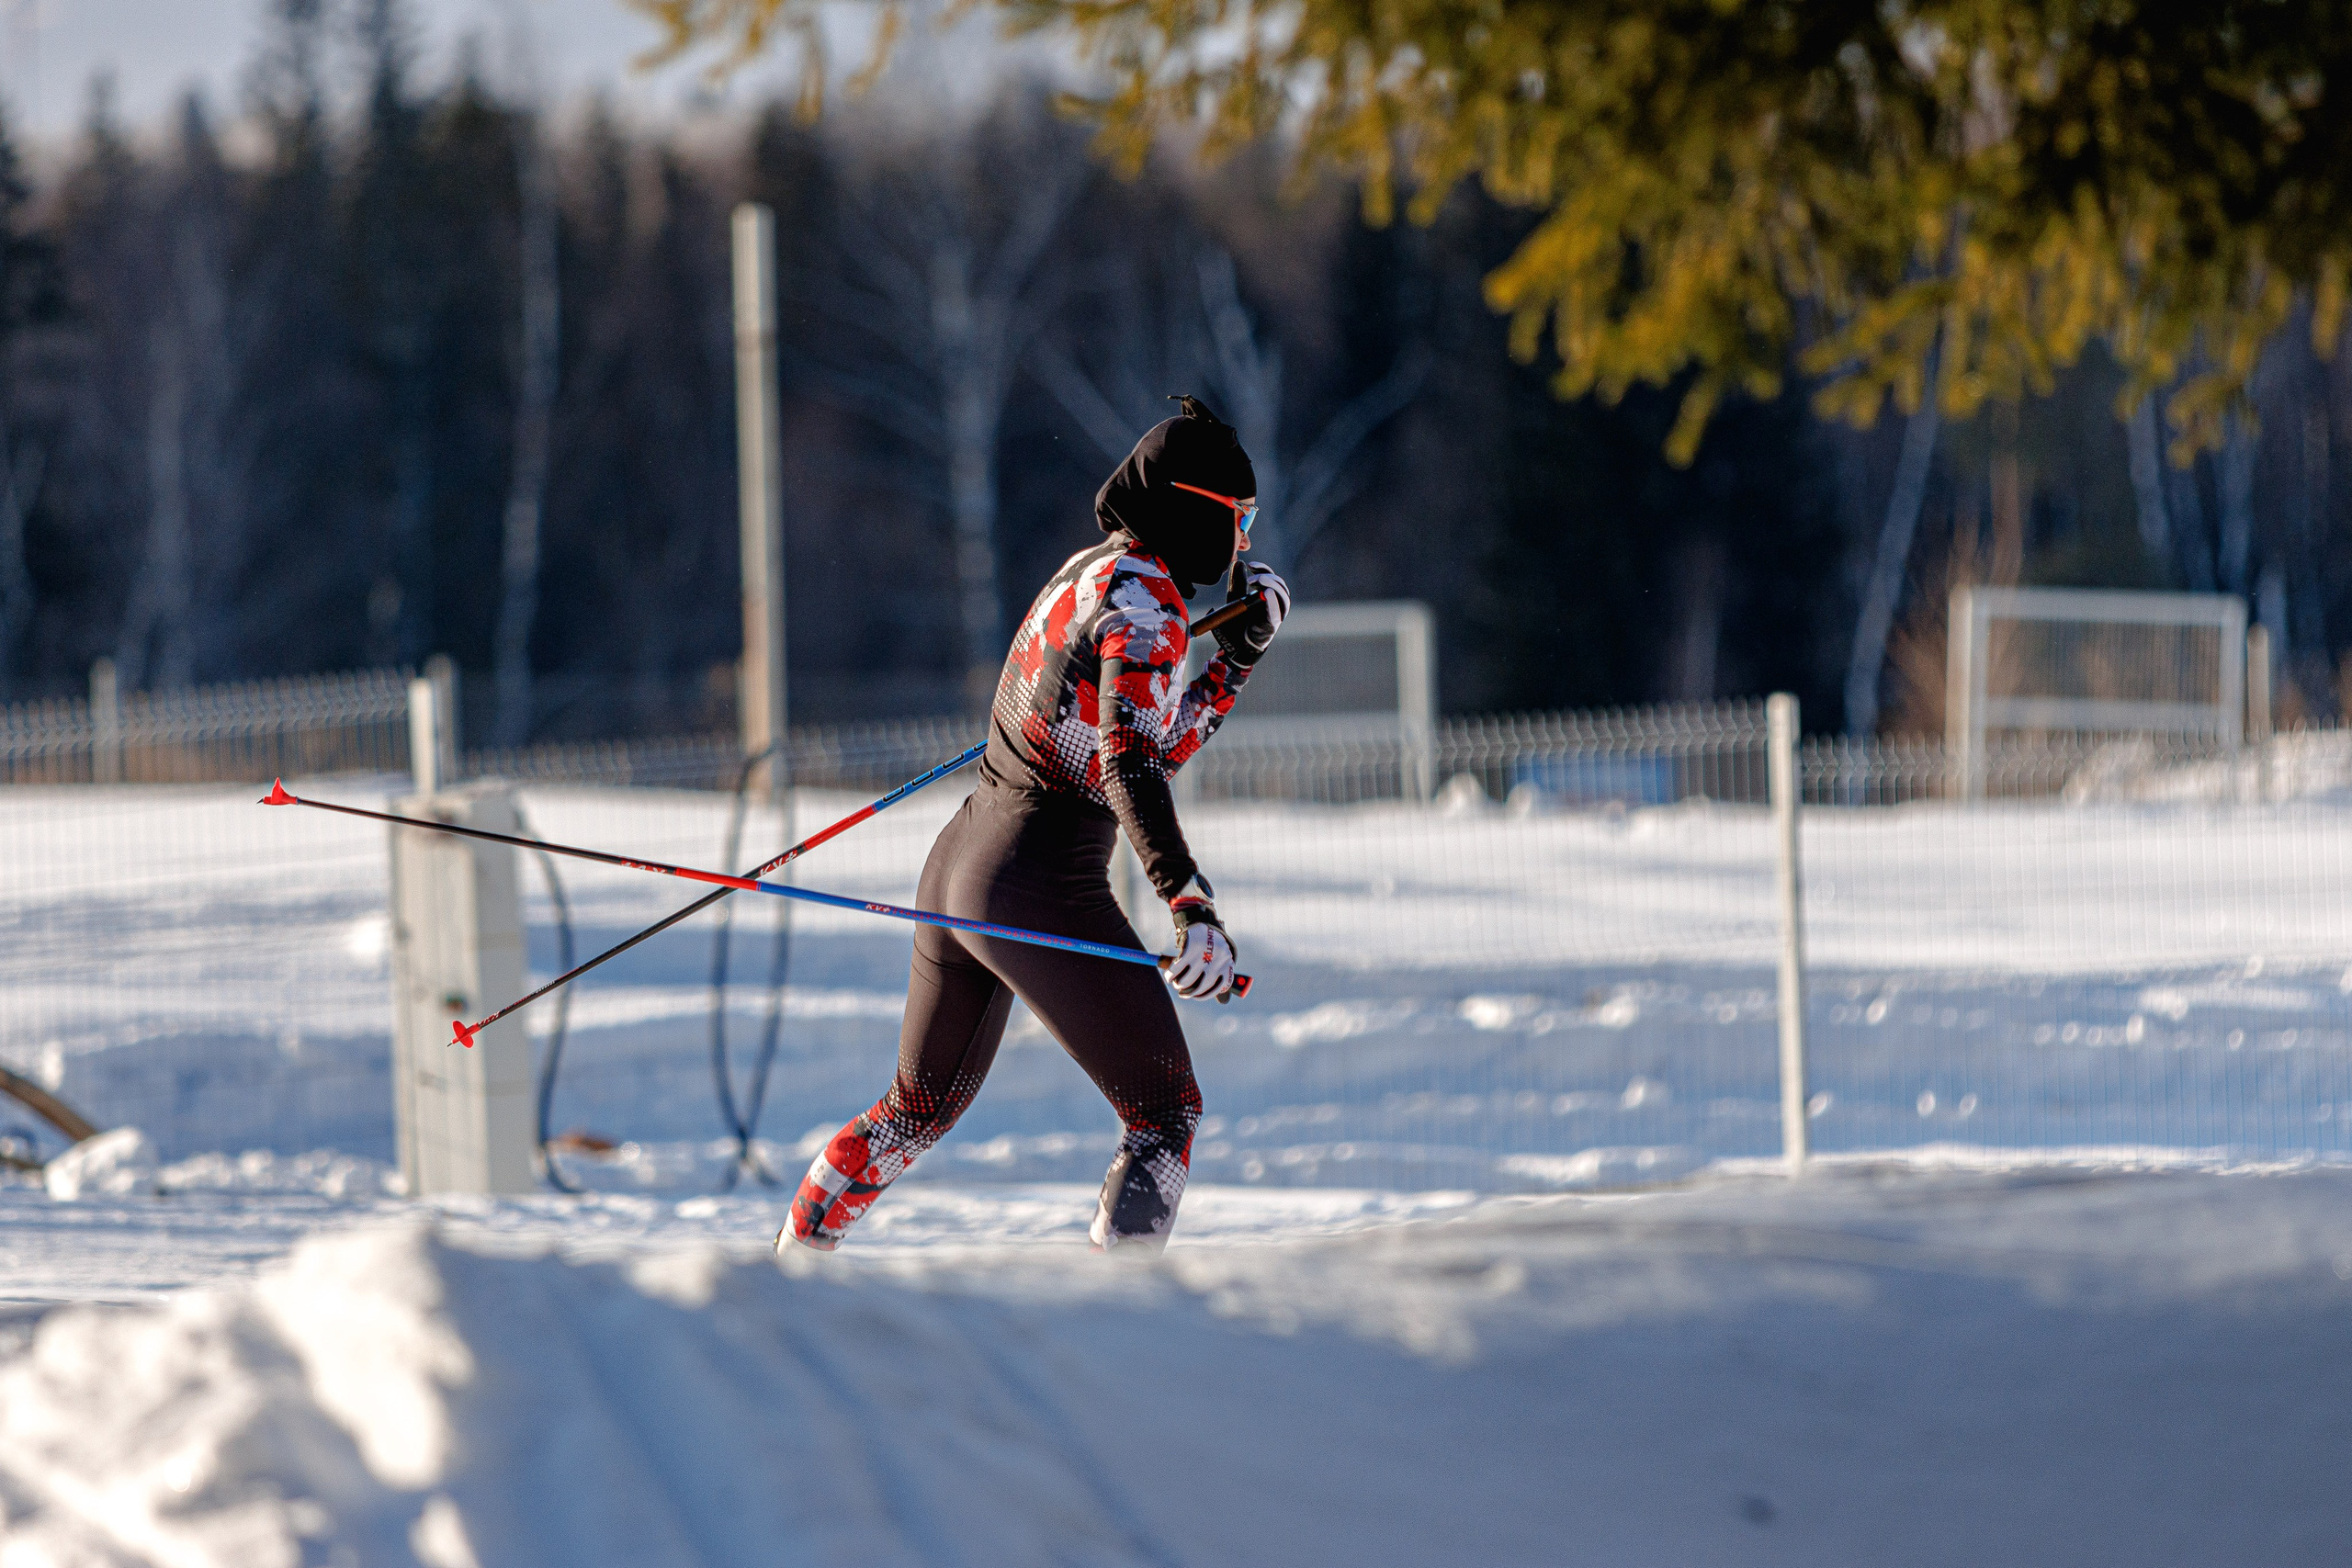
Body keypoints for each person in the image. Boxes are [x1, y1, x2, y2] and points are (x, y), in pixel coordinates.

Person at [781, 396, 1289, 1254]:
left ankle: (789, 1270)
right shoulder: (1152, 606)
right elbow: (1131, 765)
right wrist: (1189, 901)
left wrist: (1233, 663)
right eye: (1239, 519)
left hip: (961, 863)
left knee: (914, 1111)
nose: (1244, 543)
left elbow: (1134, 752)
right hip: (1036, 880)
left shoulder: (1092, 571)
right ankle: (1109, 1327)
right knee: (1166, 1114)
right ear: (1197, 509)